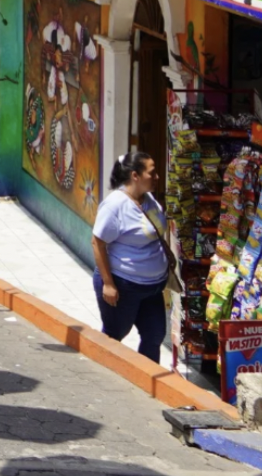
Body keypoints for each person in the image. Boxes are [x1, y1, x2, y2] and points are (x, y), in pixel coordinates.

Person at [93, 149, 173, 364]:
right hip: (124, 286)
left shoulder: (149, 200)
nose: (157, 177)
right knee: (114, 336)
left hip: (153, 287)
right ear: (135, 176)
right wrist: (108, 284)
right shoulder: (115, 205)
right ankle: (104, 375)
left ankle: (147, 383)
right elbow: (97, 243)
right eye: (152, 172)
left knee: (154, 335)